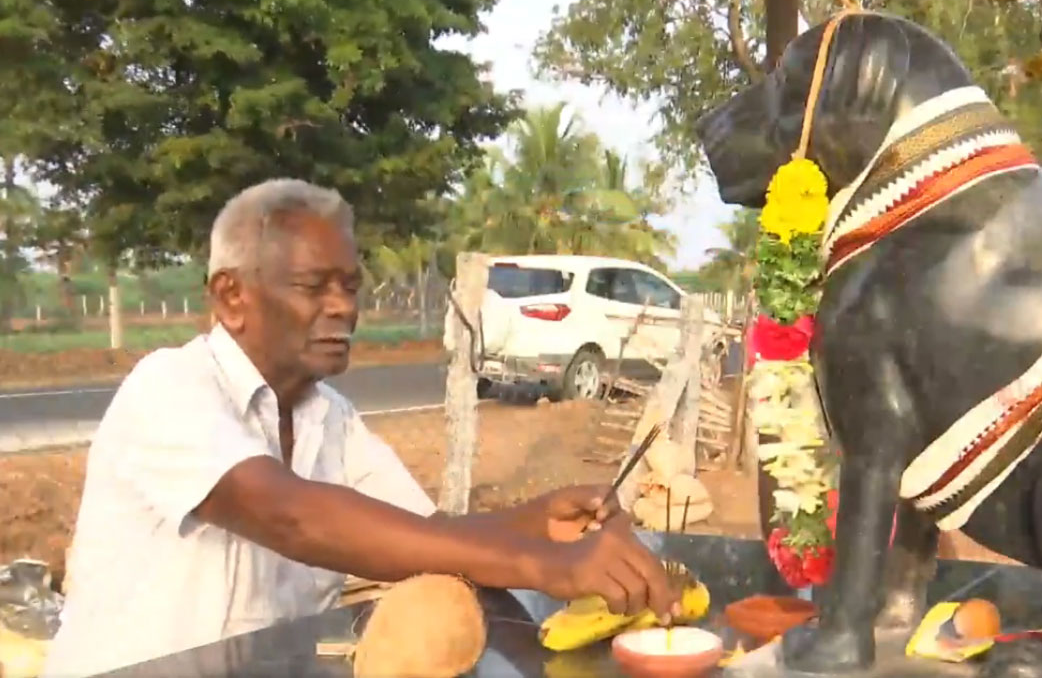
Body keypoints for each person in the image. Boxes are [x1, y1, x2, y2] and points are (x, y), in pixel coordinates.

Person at [43, 179, 678, 677]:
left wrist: (538, 521)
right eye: (313, 286)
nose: (344, 306)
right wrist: (544, 564)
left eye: (350, 285)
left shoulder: (331, 418)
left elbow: (424, 538)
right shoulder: (170, 388)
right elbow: (291, 516)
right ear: (231, 297)